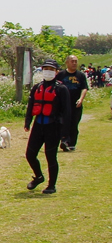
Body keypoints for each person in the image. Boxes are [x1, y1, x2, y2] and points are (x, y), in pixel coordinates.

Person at [25, 58, 72, 195]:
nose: (48, 72)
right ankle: (39, 176)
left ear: (57, 72)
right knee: (30, 154)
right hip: (38, 125)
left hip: (53, 126)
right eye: (46, 69)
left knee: (50, 156)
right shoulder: (37, 87)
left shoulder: (61, 89)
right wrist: (28, 122)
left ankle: (51, 185)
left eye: (51, 70)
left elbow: (67, 112)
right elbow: (31, 106)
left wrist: (65, 134)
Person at [57, 55, 88, 152]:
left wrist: (81, 99)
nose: (74, 63)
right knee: (63, 123)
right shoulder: (61, 75)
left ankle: (71, 143)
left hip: (76, 104)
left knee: (74, 124)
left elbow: (84, 88)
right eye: (72, 61)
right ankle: (64, 141)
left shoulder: (80, 75)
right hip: (63, 105)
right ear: (67, 62)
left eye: (75, 61)